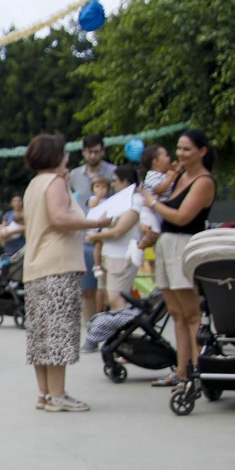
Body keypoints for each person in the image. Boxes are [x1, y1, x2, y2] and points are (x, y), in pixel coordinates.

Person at [23, 134, 109, 411]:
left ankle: (45, 393)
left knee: (40, 334)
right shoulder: (55, 182)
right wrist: (95, 221)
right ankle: (57, 394)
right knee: (59, 331)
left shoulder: (34, 184)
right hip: (58, 265)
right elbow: (59, 217)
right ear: (55, 156)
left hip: (36, 266)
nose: (68, 157)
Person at [138, 130, 217, 388]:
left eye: (186, 149)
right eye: (179, 149)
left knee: (192, 313)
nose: (180, 154)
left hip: (184, 245)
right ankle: (182, 370)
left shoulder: (204, 181)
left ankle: (198, 370)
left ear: (201, 151)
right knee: (176, 313)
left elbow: (182, 216)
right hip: (165, 244)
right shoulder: (181, 175)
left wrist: (152, 203)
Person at [68, 134, 117, 325]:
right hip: (85, 237)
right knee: (87, 288)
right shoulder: (75, 175)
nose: (93, 155)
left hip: (110, 235)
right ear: (83, 152)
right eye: (89, 152)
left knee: (110, 289)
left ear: (102, 151)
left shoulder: (113, 172)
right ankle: (91, 327)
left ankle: (111, 327)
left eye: (96, 151)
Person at [86, 164, 142, 312]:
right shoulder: (120, 200)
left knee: (115, 298)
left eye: (115, 180)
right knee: (105, 297)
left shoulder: (135, 201)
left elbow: (119, 230)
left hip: (121, 256)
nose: (113, 184)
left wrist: (95, 235)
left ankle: (123, 330)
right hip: (107, 254)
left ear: (125, 181)